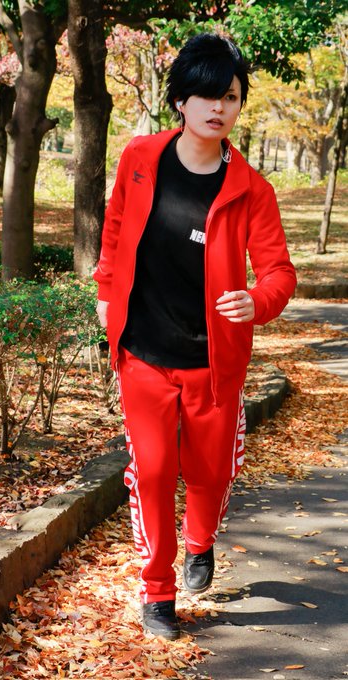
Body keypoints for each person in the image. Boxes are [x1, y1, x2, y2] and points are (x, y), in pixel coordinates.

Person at [93, 32, 296, 640]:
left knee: (209, 474)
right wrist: (106, 293)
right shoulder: (140, 158)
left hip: (214, 364)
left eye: (230, 96)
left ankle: (200, 541)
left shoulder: (252, 190)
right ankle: (157, 592)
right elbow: (115, 228)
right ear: (181, 100)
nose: (218, 107)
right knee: (153, 471)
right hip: (144, 352)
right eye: (207, 95)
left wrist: (256, 301)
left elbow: (280, 273)